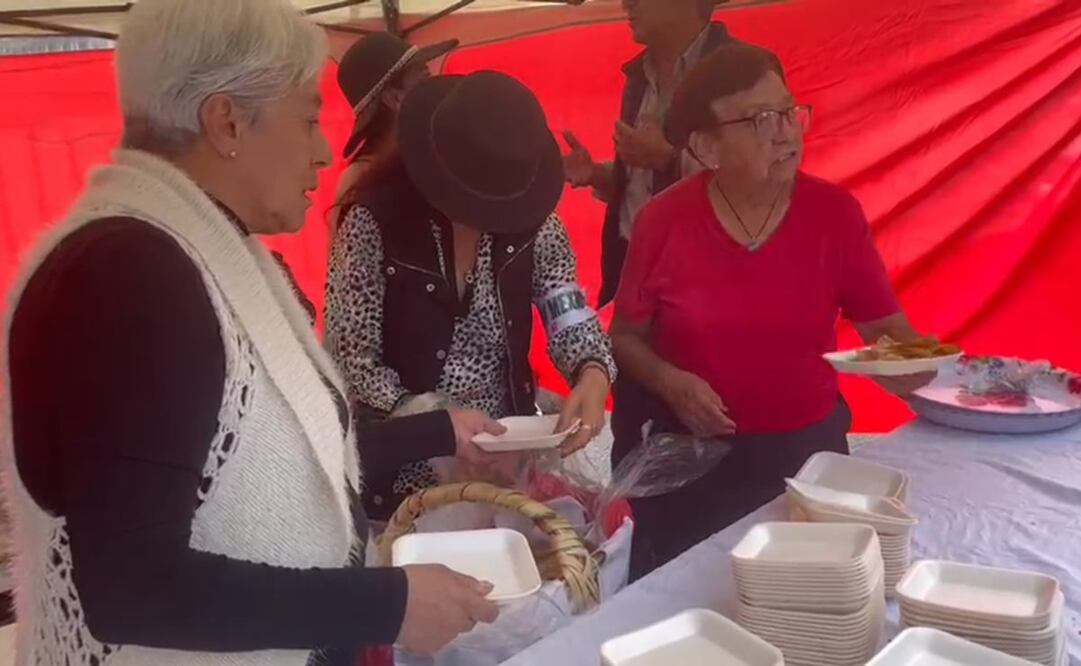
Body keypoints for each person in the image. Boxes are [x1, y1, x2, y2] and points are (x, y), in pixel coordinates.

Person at [0, 1, 507, 663]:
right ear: (227, 121)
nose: (324, 152)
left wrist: (439, 432)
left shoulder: (199, 251)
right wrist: (387, 604)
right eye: (305, 119)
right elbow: (133, 585)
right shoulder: (128, 279)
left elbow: (274, 449)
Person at [609, 42, 931, 580]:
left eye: (788, 111)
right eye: (760, 119)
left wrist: (939, 375)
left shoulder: (833, 214)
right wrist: (671, 383)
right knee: (692, 600)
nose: (786, 131)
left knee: (814, 592)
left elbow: (887, 332)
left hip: (807, 458)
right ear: (708, 147)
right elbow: (624, 336)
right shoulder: (663, 222)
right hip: (694, 463)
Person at [325, 71, 617, 519]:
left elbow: (568, 310)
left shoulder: (535, 223)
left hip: (508, 464)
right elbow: (350, 359)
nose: (487, 218)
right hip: (408, 481)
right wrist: (434, 425)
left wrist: (592, 371)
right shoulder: (373, 223)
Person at [562, 0, 733, 306]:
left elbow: (756, 182)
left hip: (704, 280)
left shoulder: (742, 72)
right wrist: (599, 175)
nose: (626, 3)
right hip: (629, 267)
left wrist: (666, 159)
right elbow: (643, 183)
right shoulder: (639, 73)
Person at [328, 32, 458, 242]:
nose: (435, 92)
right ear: (394, 98)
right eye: (425, 82)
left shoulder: (428, 163)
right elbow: (346, 270)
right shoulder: (359, 180)